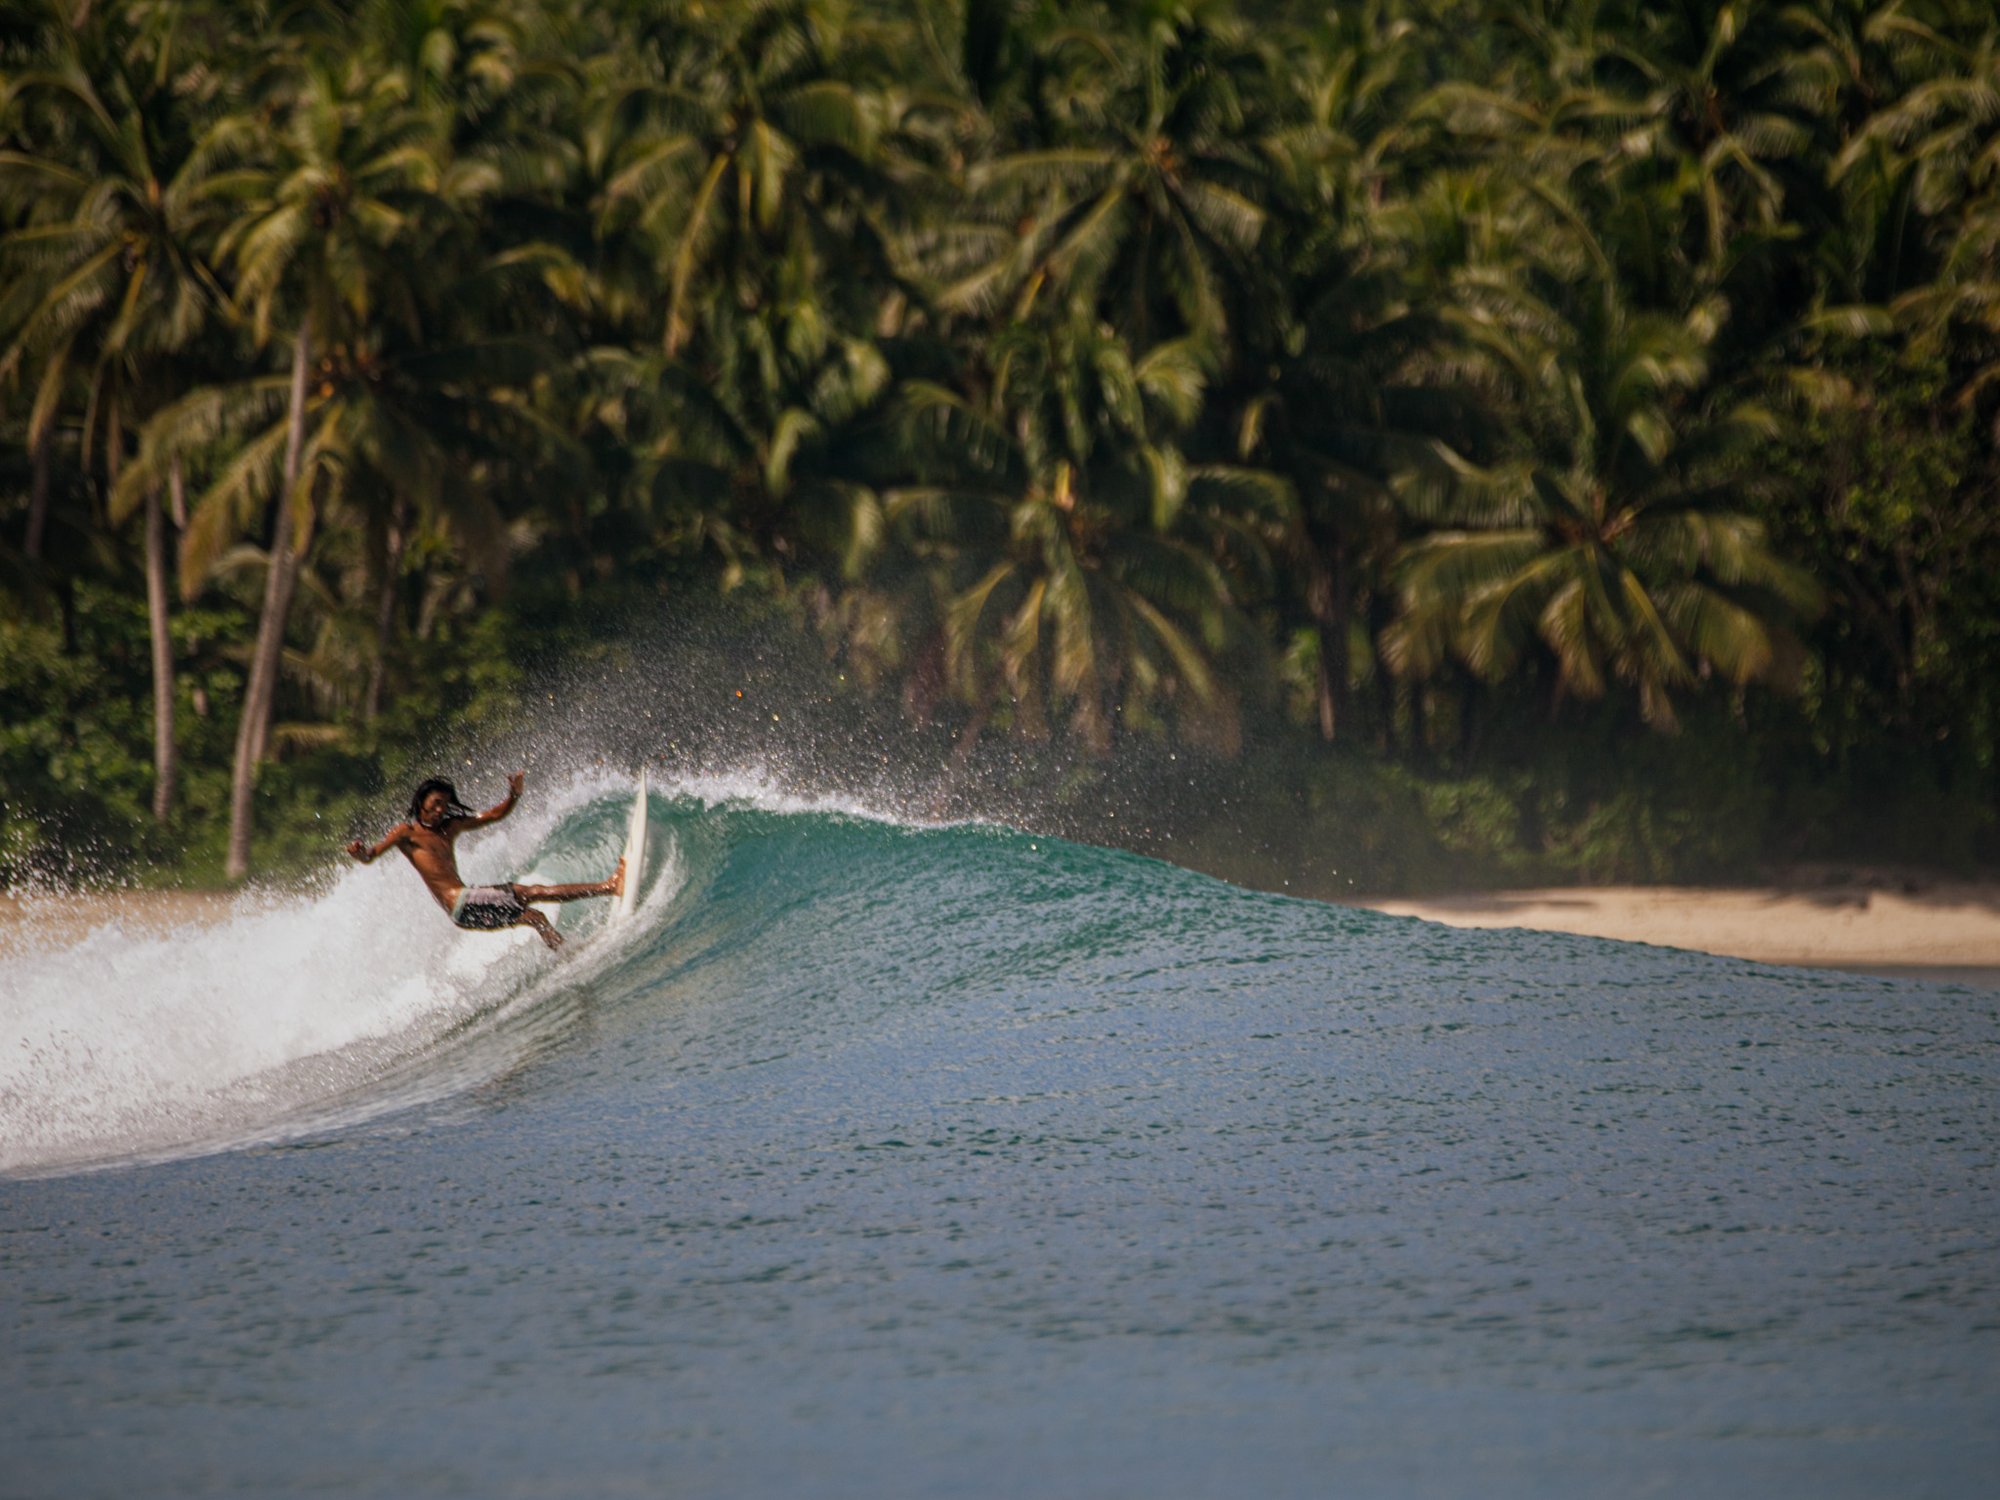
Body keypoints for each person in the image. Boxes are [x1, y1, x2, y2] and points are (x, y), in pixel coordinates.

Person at [346, 771, 621, 951]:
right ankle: (609, 887)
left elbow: (492, 816)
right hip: (460, 903)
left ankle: (566, 953)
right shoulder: (405, 833)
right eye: (435, 804)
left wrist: (513, 795)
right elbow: (372, 855)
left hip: (464, 911)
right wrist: (362, 853)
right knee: (530, 892)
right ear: (421, 803)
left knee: (535, 917)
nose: (440, 810)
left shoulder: (450, 827)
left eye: (444, 804)